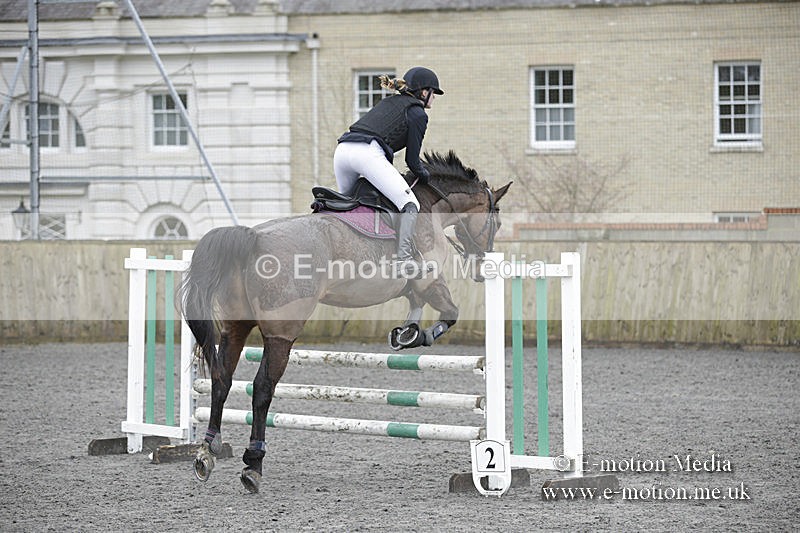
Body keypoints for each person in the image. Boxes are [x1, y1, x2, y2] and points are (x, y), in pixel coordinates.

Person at [334, 66, 444, 277]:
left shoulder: (390, 102)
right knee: (410, 204)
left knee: (347, 204)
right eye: (434, 93)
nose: (434, 98)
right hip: (367, 153)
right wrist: (426, 176)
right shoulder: (418, 114)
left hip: (342, 151)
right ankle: (403, 261)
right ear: (424, 92)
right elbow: (412, 161)